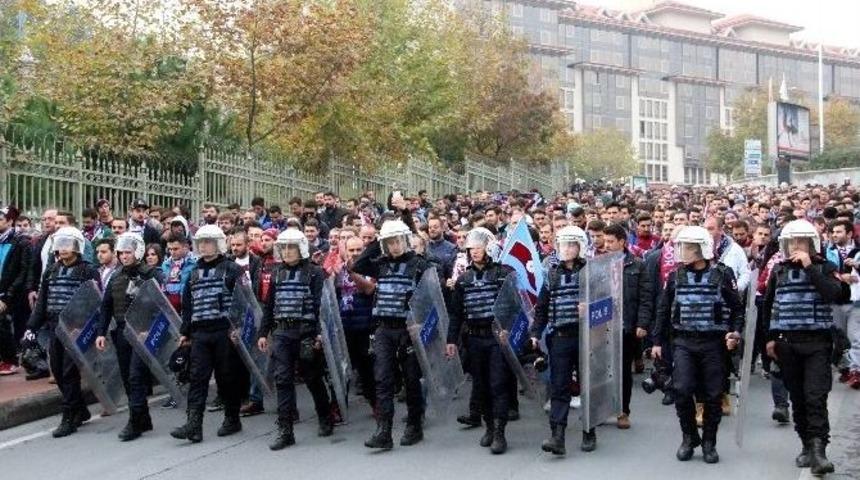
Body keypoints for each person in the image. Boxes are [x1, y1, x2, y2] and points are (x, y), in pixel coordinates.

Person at [652, 225, 744, 464]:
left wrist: (735, 332)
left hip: (714, 343)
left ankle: (709, 441)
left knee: (713, 394)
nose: (682, 251)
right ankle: (689, 436)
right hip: (683, 341)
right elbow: (663, 310)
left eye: (688, 247)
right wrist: (657, 341)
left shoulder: (722, 275)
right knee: (682, 390)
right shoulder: (675, 276)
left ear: (702, 249)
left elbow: (737, 308)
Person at [763, 220, 845, 475]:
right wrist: (769, 339)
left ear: (811, 244)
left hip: (817, 343)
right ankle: (806, 445)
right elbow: (769, 306)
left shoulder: (825, 266)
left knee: (815, 397)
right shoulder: (778, 270)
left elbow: (835, 294)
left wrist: (811, 268)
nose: (796, 246)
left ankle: (820, 451)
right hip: (787, 344)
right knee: (797, 398)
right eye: (792, 242)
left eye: (801, 242)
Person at [351, 209, 428, 450]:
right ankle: (384, 430)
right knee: (382, 380)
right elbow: (358, 264)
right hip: (384, 329)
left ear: (405, 240)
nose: (394, 246)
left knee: (411, 379)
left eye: (396, 240)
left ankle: (414, 425)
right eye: (389, 242)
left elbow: (431, 299)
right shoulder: (380, 265)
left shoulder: (419, 264)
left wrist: (421, 324)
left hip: (408, 330)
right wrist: (378, 239)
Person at [257, 229, 333, 450]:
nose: (288, 251)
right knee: (282, 380)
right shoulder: (277, 272)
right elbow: (270, 306)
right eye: (285, 247)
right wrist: (263, 333)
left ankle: (325, 416)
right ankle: (285, 429)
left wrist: (319, 333)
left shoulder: (315, 273)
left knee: (312, 378)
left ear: (301, 248)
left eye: (292, 247)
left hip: (306, 332)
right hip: (282, 333)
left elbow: (322, 305)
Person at [170, 225, 245, 443]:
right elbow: (188, 304)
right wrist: (185, 332)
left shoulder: (232, 269)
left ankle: (232, 418)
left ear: (219, 244)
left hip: (224, 332)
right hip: (200, 333)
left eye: (208, 242)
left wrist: (238, 327)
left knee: (226, 378)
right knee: (197, 379)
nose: (203, 246)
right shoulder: (193, 272)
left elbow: (243, 301)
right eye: (200, 242)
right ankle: (194, 425)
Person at [25, 227, 100, 437]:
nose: (63, 248)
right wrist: (31, 328)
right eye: (61, 243)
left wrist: (83, 327)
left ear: (77, 247)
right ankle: (80, 409)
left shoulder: (88, 270)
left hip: (75, 328)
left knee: (69, 372)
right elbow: (42, 301)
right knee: (57, 370)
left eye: (68, 243)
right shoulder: (51, 269)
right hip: (54, 326)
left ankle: (69, 417)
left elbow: (94, 302)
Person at [446, 227, 513, 454]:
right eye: (471, 248)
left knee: (497, 384)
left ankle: (500, 432)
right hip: (474, 338)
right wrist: (451, 340)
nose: (474, 251)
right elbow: (456, 313)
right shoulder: (464, 279)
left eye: (478, 247)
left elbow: (514, 306)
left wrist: (509, 330)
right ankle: (489, 427)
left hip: (496, 338)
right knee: (481, 385)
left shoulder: (503, 273)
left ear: (489, 248)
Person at [95, 233, 164, 441]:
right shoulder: (116, 277)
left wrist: (150, 329)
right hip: (122, 332)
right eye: (121, 252)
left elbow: (161, 306)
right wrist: (100, 332)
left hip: (143, 332)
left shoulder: (151, 274)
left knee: (135, 376)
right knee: (127, 377)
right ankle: (143, 419)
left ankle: (134, 422)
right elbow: (106, 307)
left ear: (138, 252)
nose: (124, 256)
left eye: (128, 252)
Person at [530, 225, 591, 455]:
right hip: (560, 338)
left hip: (585, 337)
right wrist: (535, 334)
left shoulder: (591, 272)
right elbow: (542, 309)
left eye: (571, 244)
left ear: (580, 247)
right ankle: (558, 435)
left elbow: (609, 304)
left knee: (587, 386)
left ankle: (589, 430)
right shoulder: (551, 274)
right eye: (563, 244)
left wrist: (590, 307)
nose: (566, 249)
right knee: (559, 386)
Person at [603, 224, 653, 429]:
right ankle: (602, 409)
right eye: (604, 241)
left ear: (622, 242)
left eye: (610, 241)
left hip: (627, 327)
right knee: (602, 370)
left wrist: (642, 323)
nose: (606, 245)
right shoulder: (597, 264)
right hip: (602, 326)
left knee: (623, 371)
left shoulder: (638, 266)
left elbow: (646, 297)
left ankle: (623, 411)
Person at [335, 236, 377, 414]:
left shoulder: (372, 267)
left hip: (364, 326)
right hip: (344, 326)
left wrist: (353, 272)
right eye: (351, 250)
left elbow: (369, 289)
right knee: (341, 368)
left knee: (366, 368)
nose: (354, 253)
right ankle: (337, 406)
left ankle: (376, 405)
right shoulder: (338, 269)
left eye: (358, 250)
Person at [0, 206, 31, 376]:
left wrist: (8, 294)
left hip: (11, 293)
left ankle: (10, 360)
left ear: (10, 221)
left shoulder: (21, 242)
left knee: (3, 323)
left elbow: (23, 271)